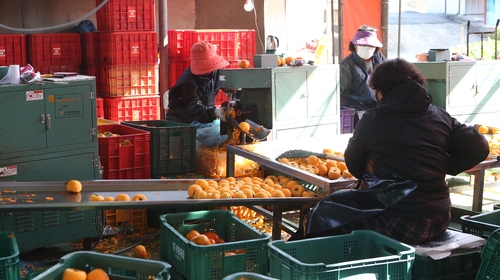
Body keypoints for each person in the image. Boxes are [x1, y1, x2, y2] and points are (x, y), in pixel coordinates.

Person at [293, 58, 489, 245]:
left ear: (381, 91)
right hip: (439, 218)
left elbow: (354, 165)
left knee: (321, 216)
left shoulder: (373, 119)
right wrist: (441, 166)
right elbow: (480, 146)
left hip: (401, 221)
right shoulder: (439, 115)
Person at [166, 41, 229, 127]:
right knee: (220, 136)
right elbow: (195, 109)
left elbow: (230, 87)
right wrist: (215, 112)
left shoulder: (216, 72)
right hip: (185, 123)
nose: (208, 70)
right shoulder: (187, 82)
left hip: (206, 118)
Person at [339, 25, 386, 124]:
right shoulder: (346, 66)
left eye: (370, 46)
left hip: (378, 107)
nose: (366, 48)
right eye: (362, 45)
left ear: (375, 47)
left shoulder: (379, 59)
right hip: (356, 111)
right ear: (355, 46)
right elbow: (337, 94)